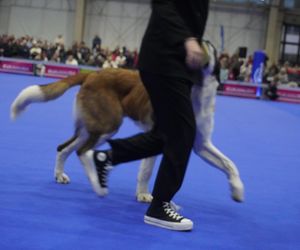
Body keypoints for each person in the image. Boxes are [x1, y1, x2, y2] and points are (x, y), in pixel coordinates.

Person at [82, 0, 210, 231]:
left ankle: (105, 158)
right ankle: (159, 207)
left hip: (176, 64)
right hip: (165, 60)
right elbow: (164, 5)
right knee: (183, 133)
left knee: (165, 134)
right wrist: (188, 39)